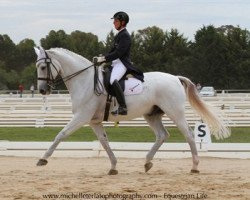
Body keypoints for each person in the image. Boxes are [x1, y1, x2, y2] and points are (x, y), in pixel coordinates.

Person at [93, 11, 144, 115]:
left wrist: (104, 59)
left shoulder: (125, 36)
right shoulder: (119, 35)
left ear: (123, 22)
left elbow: (118, 53)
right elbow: (112, 51)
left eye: (116, 21)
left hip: (122, 64)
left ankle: (123, 107)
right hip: (115, 63)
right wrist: (102, 58)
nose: (114, 23)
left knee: (113, 80)